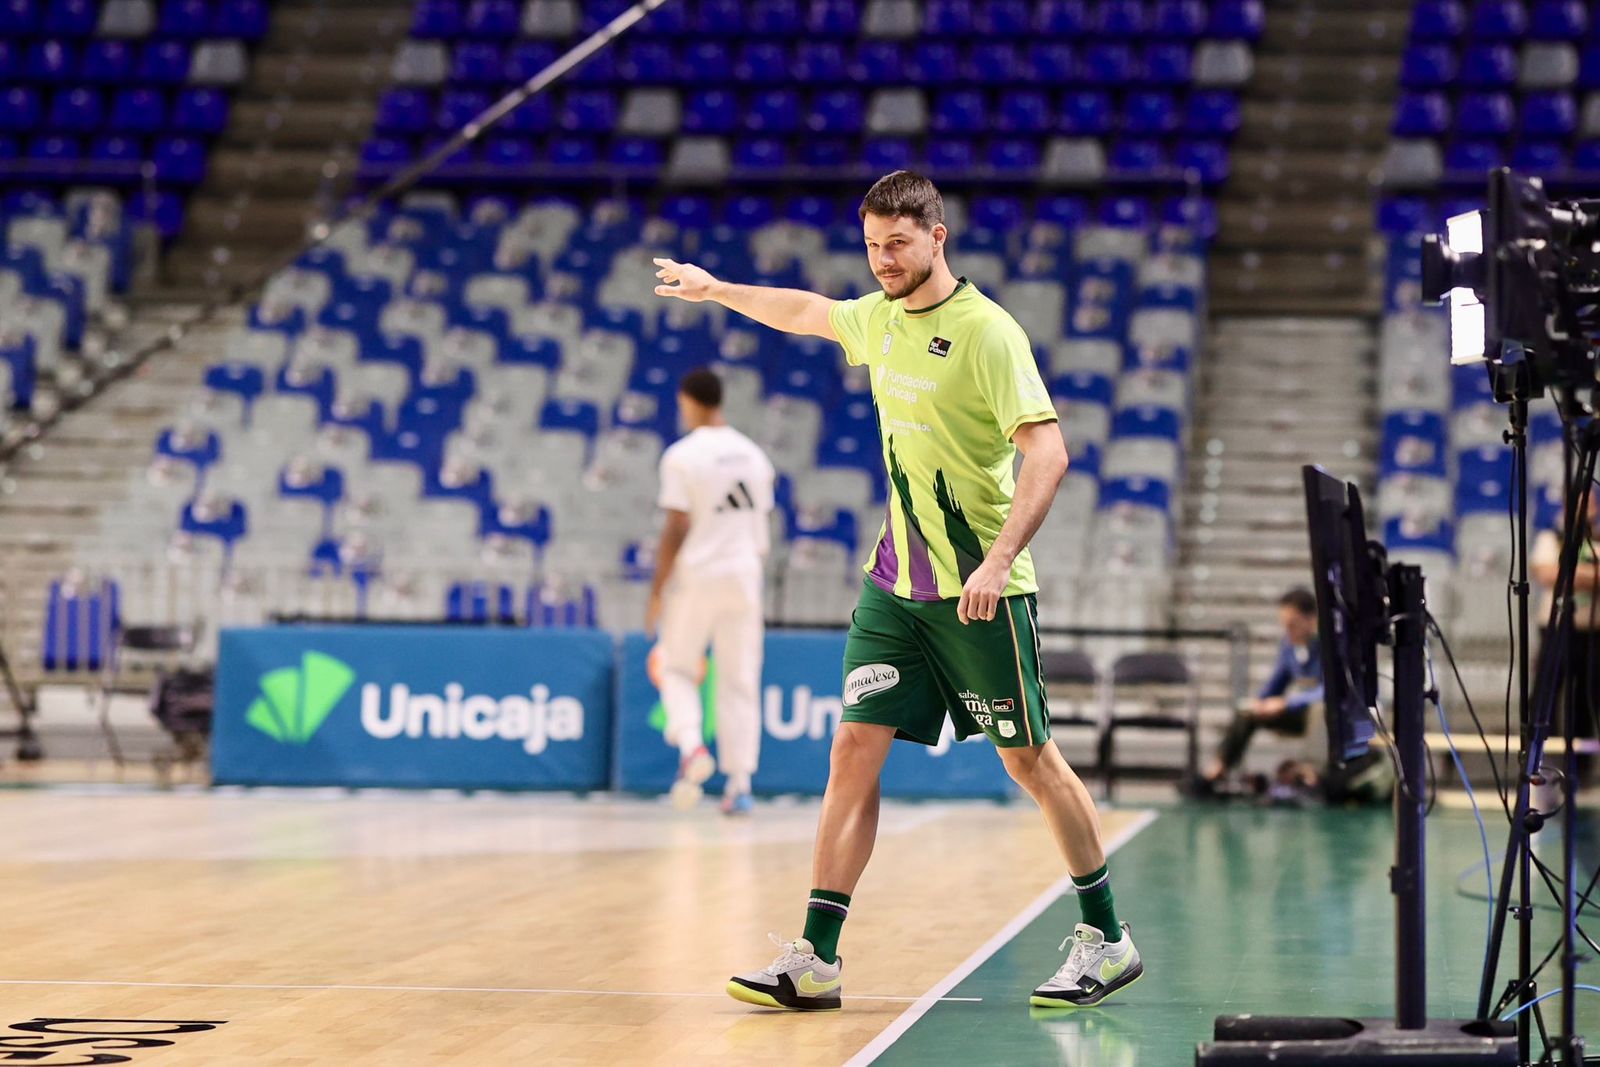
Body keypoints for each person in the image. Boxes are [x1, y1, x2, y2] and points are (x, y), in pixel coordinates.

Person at [653, 170, 1141, 1012]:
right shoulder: (876, 318)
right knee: (852, 752)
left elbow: (1049, 453)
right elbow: (807, 310)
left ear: (938, 237)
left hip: (981, 592)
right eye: (873, 245)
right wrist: (718, 289)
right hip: (895, 590)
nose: (882, 260)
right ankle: (818, 957)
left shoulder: (989, 334)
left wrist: (996, 561)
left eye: (898, 244)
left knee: (1028, 759)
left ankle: (1107, 935)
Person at [646, 368, 777, 815]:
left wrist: (657, 591)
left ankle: (691, 748)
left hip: (698, 575)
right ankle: (739, 785)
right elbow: (763, 527)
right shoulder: (755, 456)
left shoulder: (682, 455)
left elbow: (676, 525)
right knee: (739, 679)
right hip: (744, 573)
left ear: (687, 401)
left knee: (675, 666)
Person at [1195, 587, 1324, 790]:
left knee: (1319, 709)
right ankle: (1217, 770)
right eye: (1285, 626)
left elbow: (1329, 691)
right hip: (1299, 713)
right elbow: (1277, 682)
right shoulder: (1289, 646)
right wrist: (1259, 703)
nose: (1288, 632)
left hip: (1330, 717)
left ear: (1311, 620)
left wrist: (1286, 703)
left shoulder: (1331, 645)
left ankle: (1312, 776)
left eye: (1293, 625)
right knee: (1248, 711)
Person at [1531, 488, 1600, 785]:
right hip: (1557, 629)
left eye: (1590, 504)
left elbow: (1560, 574)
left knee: (1586, 698)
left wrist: (1568, 573)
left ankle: (1582, 769)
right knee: (1545, 693)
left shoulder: (1597, 540)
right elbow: (1547, 574)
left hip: (1592, 632)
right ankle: (1539, 759)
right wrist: (1587, 575)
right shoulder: (1550, 539)